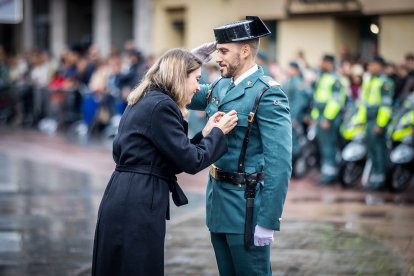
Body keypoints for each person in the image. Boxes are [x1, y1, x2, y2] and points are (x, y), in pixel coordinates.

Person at [91, 48, 238, 276]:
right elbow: (191, 160)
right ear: (180, 76)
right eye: (196, 79)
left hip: (126, 193)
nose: (199, 87)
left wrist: (207, 133)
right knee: (137, 267)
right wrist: (219, 133)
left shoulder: (149, 98)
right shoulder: (162, 106)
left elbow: (175, 155)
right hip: (138, 199)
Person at [189, 16, 292, 275]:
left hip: (246, 208)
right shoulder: (220, 86)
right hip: (218, 203)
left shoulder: (267, 93)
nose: (217, 57)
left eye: (223, 51)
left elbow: (280, 163)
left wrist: (268, 221)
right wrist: (188, 59)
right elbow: (174, 86)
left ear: (245, 51)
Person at [360, 55, 394, 189]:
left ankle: (381, 179)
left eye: (373, 65)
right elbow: (364, 103)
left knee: (380, 151)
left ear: (380, 67)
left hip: (377, 120)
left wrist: (380, 124)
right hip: (369, 120)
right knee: (372, 151)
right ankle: (374, 178)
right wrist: (362, 121)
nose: (370, 67)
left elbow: (386, 106)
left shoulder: (385, 82)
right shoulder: (370, 80)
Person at [311, 54, 346, 183]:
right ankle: (327, 172)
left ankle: (331, 174)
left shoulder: (335, 80)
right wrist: (315, 117)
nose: (321, 64)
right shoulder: (322, 78)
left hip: (329, 117)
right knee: (323, 146)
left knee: (329, 146)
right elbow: (317, 100)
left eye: (323, 62)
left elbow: (335, 102)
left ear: (330, 63)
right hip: (321, 115)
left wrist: (327, 118)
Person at [283, 61, 311, 168]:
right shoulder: (290, 81)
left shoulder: (298, 83)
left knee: (294, 142)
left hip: (293, 118)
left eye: (289, 68)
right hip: (288, 116)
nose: (287, 70)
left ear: (295, 70)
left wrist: (293, 118)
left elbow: (299, 103)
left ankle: (296, 166)